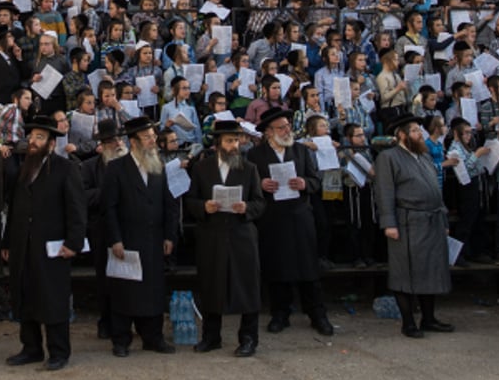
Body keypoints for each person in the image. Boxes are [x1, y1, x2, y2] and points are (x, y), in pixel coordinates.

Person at [0, 115, 87, 371]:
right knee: (26, 295)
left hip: (53, 246)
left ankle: (59, 351)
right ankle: (31, 348)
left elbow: (77, 209)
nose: (33, 142)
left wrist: (74, 242)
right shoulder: (24, 167)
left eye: (40, 137)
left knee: (52, 299)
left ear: (51, 143)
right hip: (22, 245)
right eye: (32, 137)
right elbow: (14, 208)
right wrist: (7, 241)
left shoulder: (65, 168)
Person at [246, 107, 334, 335]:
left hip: (300, 215)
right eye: (281, 128)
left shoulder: (301, 150)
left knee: (308, 267)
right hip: (272, 217)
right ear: (268, 132)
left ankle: (317, 313)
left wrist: (304, 183)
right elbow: (248, 187)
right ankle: (280, 313)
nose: (286, 131)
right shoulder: (255, 156)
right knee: (277, 267)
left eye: (287, 126)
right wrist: (262, 184)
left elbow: (316, 181)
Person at [186, 119, 266, 356]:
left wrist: (246, 208)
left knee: (247, 286)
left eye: (237, 140)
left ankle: (249, 338)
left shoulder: (249, 168)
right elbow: (190, 201)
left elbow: (260, 203)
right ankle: (211, 337)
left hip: (241, 234)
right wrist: (204, 207)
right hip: (212, 234)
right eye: (230, 141)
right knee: (212, 284)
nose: (235, 145)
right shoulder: (202, 168)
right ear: (218, 143)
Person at [101, 115, 179, 357]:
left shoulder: (158, 166)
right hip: (127, 239)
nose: (153, 141)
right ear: (133, 141)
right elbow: (109, 208)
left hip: (154, 239)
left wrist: (169, 235)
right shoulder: (116, 168)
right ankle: (121, 339)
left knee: (153, 290)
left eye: (153, 137)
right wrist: (115, 239)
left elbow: (169, 203)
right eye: (147, 138)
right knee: (126, 290)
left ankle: (153, 337)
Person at [374, 110, 454, 339]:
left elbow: (436, 191)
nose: (421, 134)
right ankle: (408, 322)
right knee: (405, 273)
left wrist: (444, 219)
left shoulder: (425, 157)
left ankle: (429, 318)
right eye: (416, 131)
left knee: (431, 271)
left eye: (420, 130)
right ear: (402, 135)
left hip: (432, 219)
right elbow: (384, 193)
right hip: (407, 221)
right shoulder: (388, 158)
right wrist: (389, 223)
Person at [79, 118, 124, 339]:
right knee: (104, 278)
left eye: (117, 139)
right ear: (102, 145)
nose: (116, 144)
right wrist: (109, 192)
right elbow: (84, 196)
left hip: (125, 229)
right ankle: (106, 320)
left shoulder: (128, 166)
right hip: (100, 229)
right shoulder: (89, 167)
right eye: (110, 141)